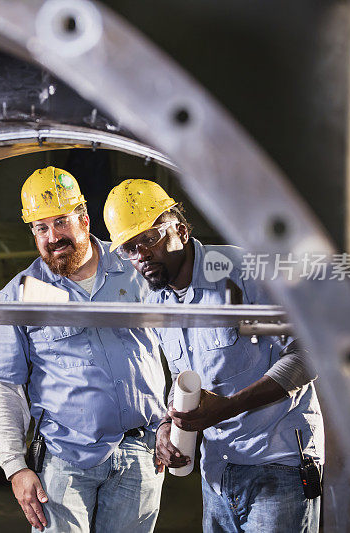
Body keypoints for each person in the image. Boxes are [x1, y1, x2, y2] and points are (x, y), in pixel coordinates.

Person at [103, 179, 324, 532]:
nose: (141, 255)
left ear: (181, 230)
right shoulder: (157, 301)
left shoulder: (241, 274)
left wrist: (229, 406)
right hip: (217, 470)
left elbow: (308, 353)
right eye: (129, 248)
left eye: (149, 239)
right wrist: (166, 422)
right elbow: (181, 379)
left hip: (277, 464)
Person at [0, 167, 166, 532]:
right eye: (41, 227)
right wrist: (15, 467)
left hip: (141, 453)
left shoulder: (136, 268)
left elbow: (181, 350)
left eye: (61, 222)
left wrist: (174, 425)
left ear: (83, 219)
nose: (53, 237)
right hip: (65, 461)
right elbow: (4, 384)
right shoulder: (19, 295)